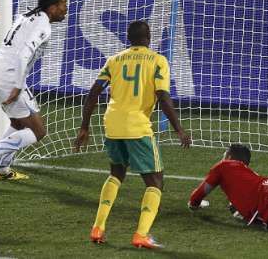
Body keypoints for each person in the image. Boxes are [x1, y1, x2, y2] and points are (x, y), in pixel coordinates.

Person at [75, 21, 191, 249]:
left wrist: (84, 126)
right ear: (149, 36)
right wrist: (179, 128)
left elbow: (93, 94)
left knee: (116, 173)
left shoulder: (114, 60)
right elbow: (163, 96)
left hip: (112, 124)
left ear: (128, 38)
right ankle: (141, 234)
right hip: (137, 126)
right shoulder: (158, 61)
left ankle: (97, 228)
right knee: (155, 181)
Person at [0, 0, 67, 184]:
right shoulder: (43, 26)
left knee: (18, 123)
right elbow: (24, 54)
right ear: (52, 7)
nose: (65, 9)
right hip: (10, 78)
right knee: (38, 132)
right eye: (62, 5)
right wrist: (16, 87)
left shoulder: (28, 16)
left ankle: (2, 169)